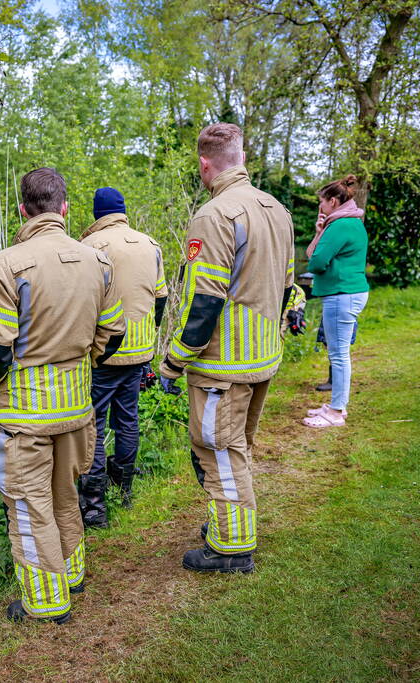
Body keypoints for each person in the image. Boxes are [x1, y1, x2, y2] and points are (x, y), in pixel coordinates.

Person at [0, 167, 125, 623]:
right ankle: (72, 571)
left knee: (26, 501)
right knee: (64, 492)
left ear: (23, 210)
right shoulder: (99, 260)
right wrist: (86, 361)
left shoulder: (5, 264)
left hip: (26, 414)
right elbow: (113, 331)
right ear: (64, 209)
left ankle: (45, 600)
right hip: (78, 408)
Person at [158, 123, 295, 574]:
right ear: (241, 156)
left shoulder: (214, 215)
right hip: (263, 357)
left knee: (217, 448)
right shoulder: (277, 209)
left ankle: (232, 549)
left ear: (204, 164)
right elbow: (289, 284)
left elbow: (205, 301)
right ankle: (228, 522)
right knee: (237, 447)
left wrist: (174, 361)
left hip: (224, 364)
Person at [77, 187, 168, 528]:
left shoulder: (90, 247)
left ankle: (96, 507)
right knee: (128, 419)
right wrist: (149, 335)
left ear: (97, 214)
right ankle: (124, 489)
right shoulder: (150, 244)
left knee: (95, 427)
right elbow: (160, 299)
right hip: (139, 350)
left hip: (104, 351)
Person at [302, 174, 369, 428]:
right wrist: (320, 232)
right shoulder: (348, 223)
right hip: (346, 294)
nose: (320, 207)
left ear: (332, 201)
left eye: (322, 203)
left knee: (339, 355)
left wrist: (322, 236)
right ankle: (334, 405)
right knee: (339, 353)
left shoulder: (340, 225)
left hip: (343, 295)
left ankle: (337, 411)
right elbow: (315, 255)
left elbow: (316, 262)